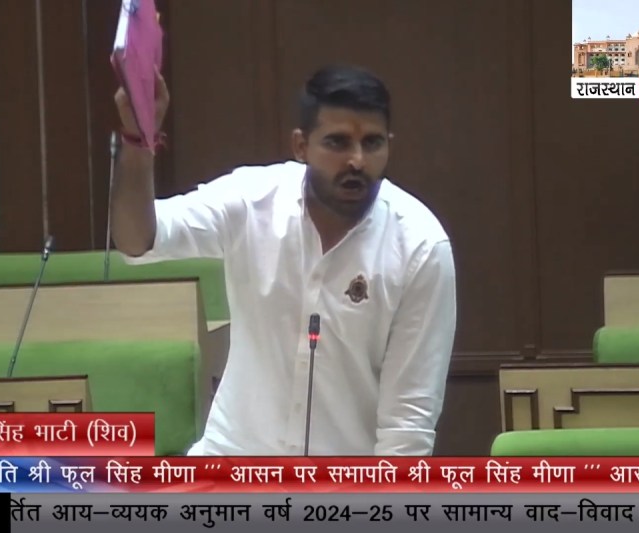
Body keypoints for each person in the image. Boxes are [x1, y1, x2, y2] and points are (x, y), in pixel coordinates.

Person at [111, 64, 457, 456]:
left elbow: (407, 428)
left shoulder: (420, 248)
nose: (357, 161)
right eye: (338, 143)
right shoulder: (252, 200)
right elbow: (137, 240)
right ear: (301, 146)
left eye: (373, 143)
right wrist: (138, 141)